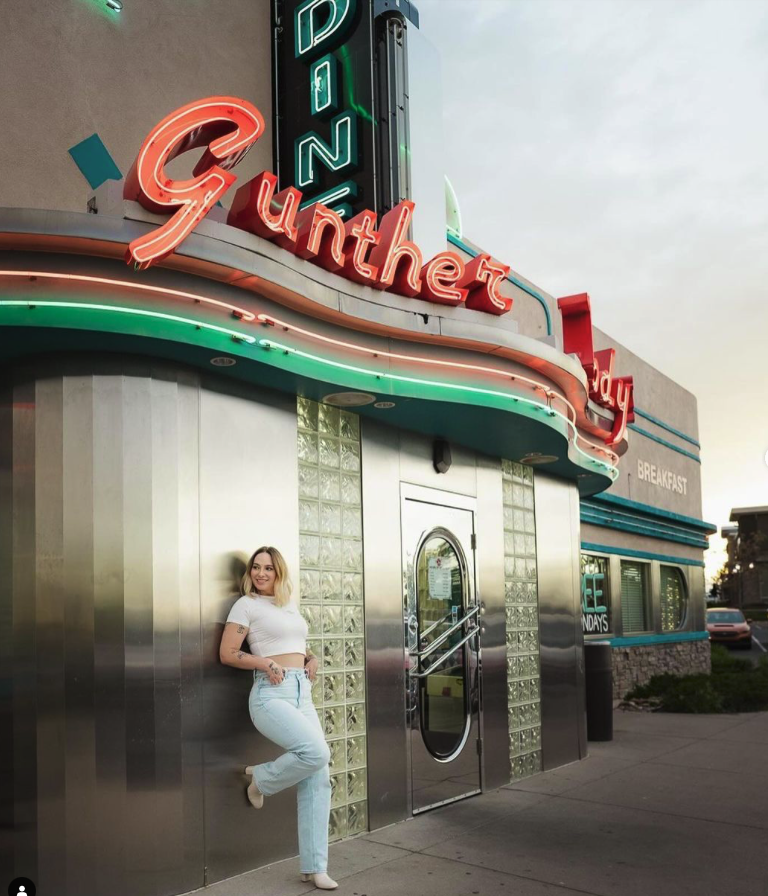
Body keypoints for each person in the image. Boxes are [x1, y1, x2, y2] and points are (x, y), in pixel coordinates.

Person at [219, 546, 336, 891]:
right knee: (317, 753)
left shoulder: (287, 604)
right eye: (256, 567)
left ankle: (314, 868)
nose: (260, 573)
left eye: (268, 568)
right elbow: (227, 652)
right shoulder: (246, 605)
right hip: (270, 694)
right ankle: (262, 780)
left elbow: (294, 643)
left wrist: (311, 658)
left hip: (302, 692)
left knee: (319, 777)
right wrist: (264, 663)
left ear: (279, 572)